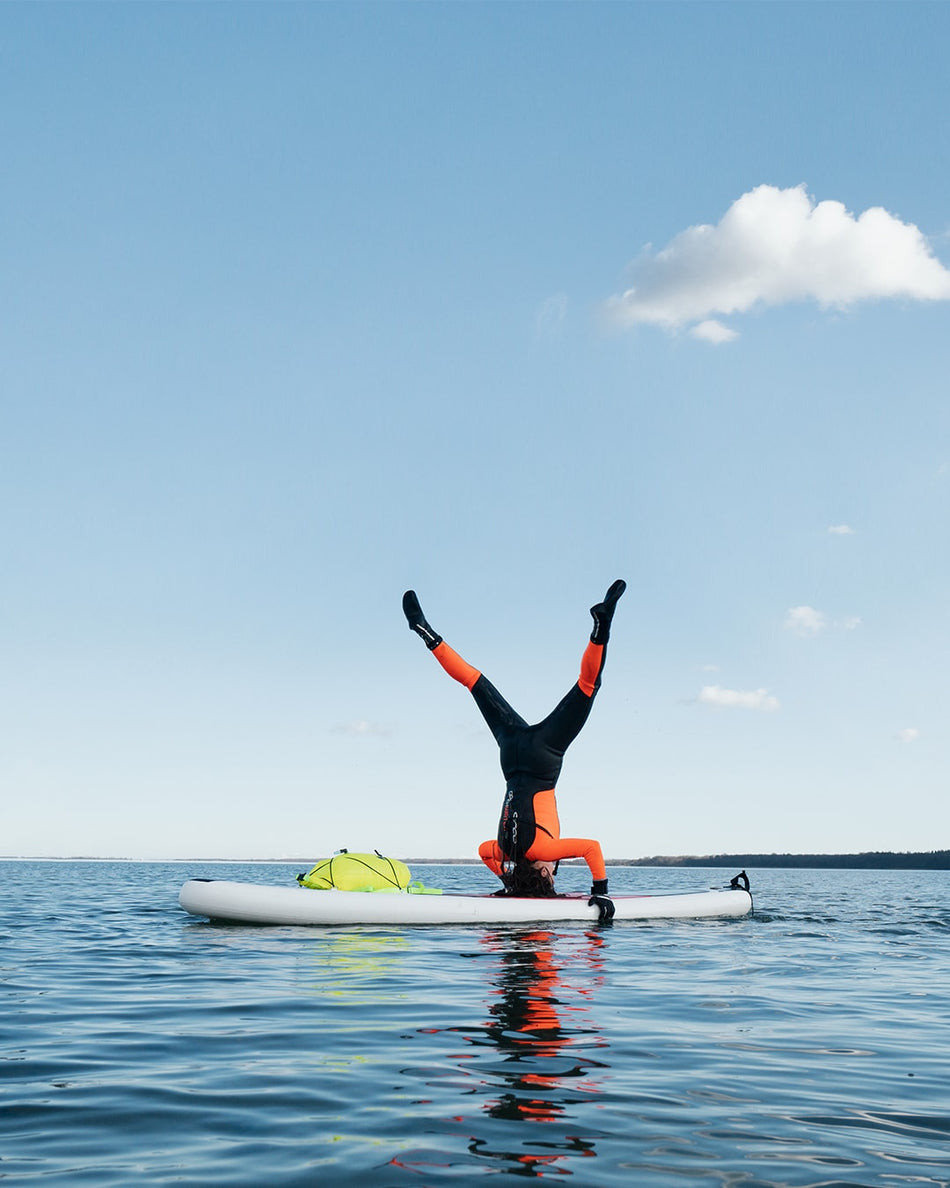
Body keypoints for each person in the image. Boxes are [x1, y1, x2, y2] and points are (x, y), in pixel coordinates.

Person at [402, 580, 626, 922]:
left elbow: (591, 848)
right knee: (474, 682)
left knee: (587, 686)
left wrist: (601, 891)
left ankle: (601, 627)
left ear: (545, 872)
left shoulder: (545, 850)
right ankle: (427, 633)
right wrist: (509, 880)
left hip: (543, 757)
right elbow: (482, 851)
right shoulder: (502, 849)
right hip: (511, 753)